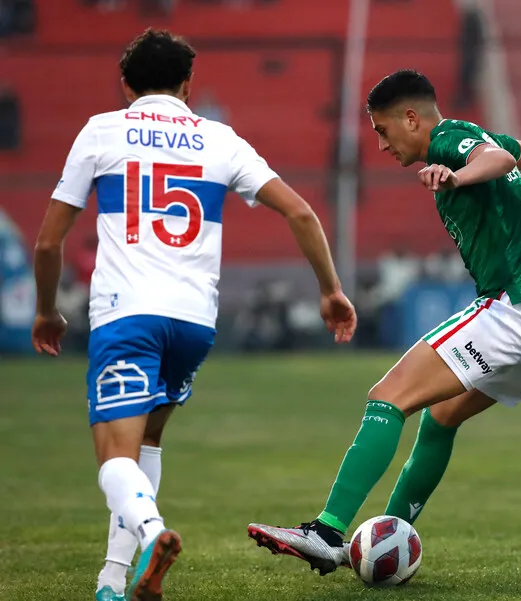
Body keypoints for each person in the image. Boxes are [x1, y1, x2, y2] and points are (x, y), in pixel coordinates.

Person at [31, 28, 356, 601]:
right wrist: (330, 290)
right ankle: (112, 581)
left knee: (113, 456)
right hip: (194, 323)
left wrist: (46, 310)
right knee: (147, 443)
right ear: (188, 84)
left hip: (127, 315)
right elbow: (302, 212)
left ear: (125, 85)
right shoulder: (220, 139)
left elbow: (49, 244)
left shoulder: (102, 130)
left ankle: (153, 534)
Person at [247, 69, 521, 576]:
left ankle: (327, 531)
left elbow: (502, 158)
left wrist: (458, 175)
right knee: (440, 418)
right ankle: (387, 538)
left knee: (387, 397)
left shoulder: (449, 140)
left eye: (382, 130)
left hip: (515, 307)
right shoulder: (469, 138)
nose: (380, 144)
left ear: (411, 118)